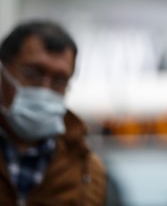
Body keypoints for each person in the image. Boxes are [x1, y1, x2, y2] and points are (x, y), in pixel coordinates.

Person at [0, 20, 107, 204]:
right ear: (3, 71)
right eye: (32, 73)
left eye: (59, 80)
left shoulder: (88, 172)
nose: (44, 89)